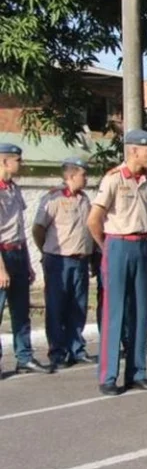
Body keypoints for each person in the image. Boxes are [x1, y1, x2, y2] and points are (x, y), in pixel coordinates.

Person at [87, 130, 147, 395]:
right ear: (133, 151)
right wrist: (106, 247)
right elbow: (94, 219)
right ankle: (108, 376)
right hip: (117, 245)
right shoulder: (113, 179)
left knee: (141, 310)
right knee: (114, 311)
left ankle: (137, 372)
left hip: (141, 244)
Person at [32, 157, 94, 369]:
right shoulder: (53, 198)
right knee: (57, 307)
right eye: (83, 174)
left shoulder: (85, 199)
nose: (86, 178)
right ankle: (58, 351)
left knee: (78, 306)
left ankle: (76, 348)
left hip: (80, 260)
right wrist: (47, 252)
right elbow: (38, 229)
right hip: (58, 261)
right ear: (70, 176)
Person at [0, 143, 46, 375]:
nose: (21, 164)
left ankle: (24, 357)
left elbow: (20, 229)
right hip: (2, 255)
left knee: (21, 311)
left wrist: (27, 262)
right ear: (5, 161)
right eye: (17, 160)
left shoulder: (13, 189)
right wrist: (1, 270)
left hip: (17, 253)